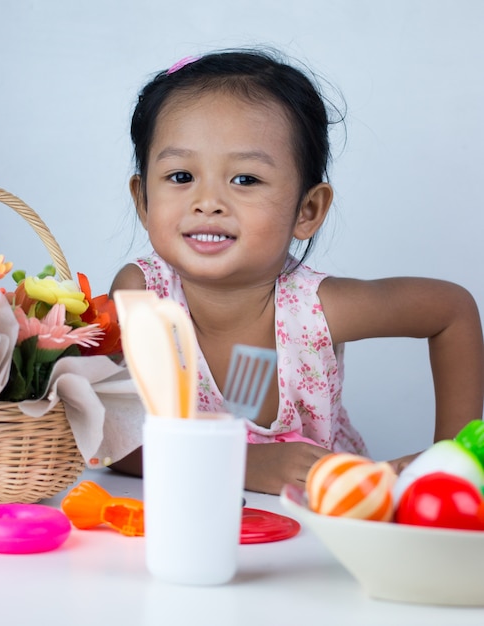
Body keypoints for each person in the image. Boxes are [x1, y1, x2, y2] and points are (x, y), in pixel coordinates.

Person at [109, 49, 484, 495]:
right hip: (194, 526)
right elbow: (114, 442)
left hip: (327, 528)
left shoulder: (318, 310)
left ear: (307, 210)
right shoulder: (141, 298)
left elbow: (451, 310)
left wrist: (454, 464)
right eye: (181, 176)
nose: (207, 201)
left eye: (245, 179)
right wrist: (243, 464)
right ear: (143, 199)